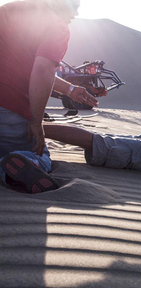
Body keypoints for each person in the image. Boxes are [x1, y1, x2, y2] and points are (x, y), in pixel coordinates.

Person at [0, 0, 98, 194]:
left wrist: (70, 89)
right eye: (74, 5)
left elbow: (26, 68)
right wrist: (36, 121)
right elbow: (43, 69)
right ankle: (18, 166)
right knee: (39, 154)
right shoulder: (56, 26)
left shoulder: (9, 10)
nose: (76, 13)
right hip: (9, 109)